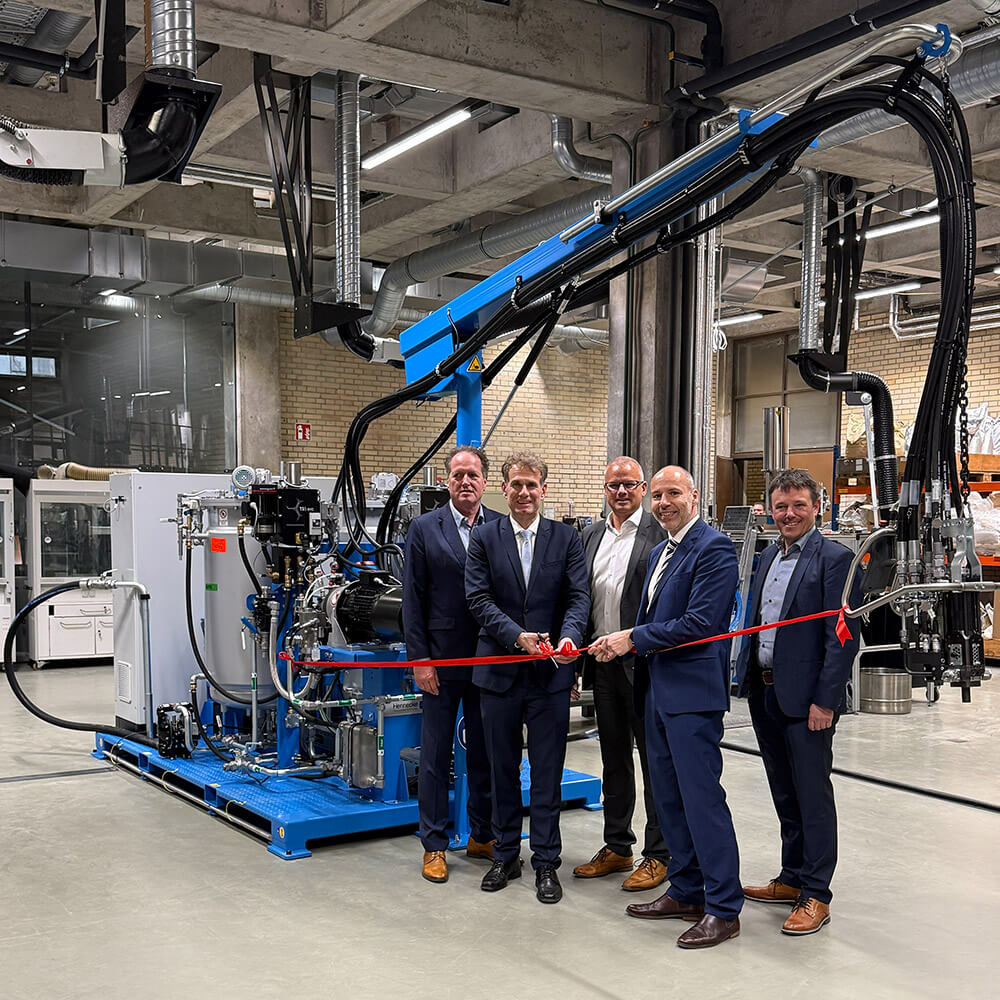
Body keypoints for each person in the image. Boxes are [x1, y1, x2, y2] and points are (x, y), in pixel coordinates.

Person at [592, 465, 742, 949]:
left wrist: (630, 639)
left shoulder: (714, 548)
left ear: (694, 496)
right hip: (655, 691)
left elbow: (700, 622)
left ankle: (723, 907)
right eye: (656, 495)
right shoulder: (660, 550)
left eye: (672, 493)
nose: (663, 503)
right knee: (670, 798)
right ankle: (686, 889)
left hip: (692, 696)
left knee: (701, 800)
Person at [734, 468, 861, 935]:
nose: (788, 514)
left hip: (807, 700)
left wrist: (826, 701)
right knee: (784, 793)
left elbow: (842, 637)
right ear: (769, 509)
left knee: (812, 796)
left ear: (817, 508)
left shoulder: (836, 559)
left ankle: (816, 893)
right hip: (765, 691)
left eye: (798, 506)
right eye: (781, 506)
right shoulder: (768, 556)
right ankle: (791, 877)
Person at [465, 451, 590, 904]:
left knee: (547, 773)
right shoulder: (484, 537)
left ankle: (545, 863)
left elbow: (578, 597)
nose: (523, 493)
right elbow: (477, 599)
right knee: (500, 769)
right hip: (498, 672)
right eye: (516, 484)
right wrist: (517, 636)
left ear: (543, 489)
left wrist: (570, 637)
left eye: (531, 485)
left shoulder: (565, 538)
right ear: (505, 487)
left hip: (549, 676)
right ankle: (504, 854)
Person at [402, 445, 501, 884]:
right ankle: (435, 845)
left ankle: (482, 834)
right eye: (458, 474)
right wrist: (420, 659)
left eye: (473, 475)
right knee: (437, 754)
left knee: (485, 750)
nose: (465, 482)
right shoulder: (424, 528)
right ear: (446, 481)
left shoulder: (500, 525)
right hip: (440, 661)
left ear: (484, 482)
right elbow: (412, 600)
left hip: (488, 658)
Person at [573, 456, 669, 891]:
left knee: (654, 763)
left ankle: (659, 853)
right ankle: (617, 845)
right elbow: (579, 600)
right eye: (614, 485)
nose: (622, 492)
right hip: (603, 667)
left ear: (643, 488)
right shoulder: (591, 535)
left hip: (645, 667)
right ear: (605, 490)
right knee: (613, 759)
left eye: (630, 484)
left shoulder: (659, 536)